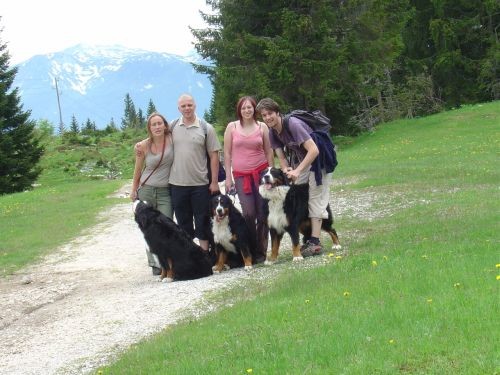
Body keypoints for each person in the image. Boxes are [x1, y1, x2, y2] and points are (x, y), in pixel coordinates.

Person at [256, 98, 337, 257]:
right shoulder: (272, 132)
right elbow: (282, 157)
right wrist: (287, 169)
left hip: (320, 160)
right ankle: (307, 233)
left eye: (270, 113)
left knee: (314, 197)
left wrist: (298, 171)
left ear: (277, 112)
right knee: (298, 194)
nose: (267, 118)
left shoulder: (293, 124)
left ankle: (315, 241)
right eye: (264, 115)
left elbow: (313, 150)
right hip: (304, 161)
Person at [223, 96, 274, 264]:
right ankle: (249, 249)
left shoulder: (262, 127)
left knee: (263, 213)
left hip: (261, 175)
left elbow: (268, 151)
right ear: (239, 110)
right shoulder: (232, 127)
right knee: (249, 213)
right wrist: (228, 177)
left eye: (250, 107)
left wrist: (271, 174)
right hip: (241, 176)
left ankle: (261, 251)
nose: (247, 110)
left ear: (254, 109)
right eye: (243, 108)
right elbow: (228, 154)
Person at [168, 94, 221, 252]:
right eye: (183, 106)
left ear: (195, 106)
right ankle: (189, 254)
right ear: (179, 108)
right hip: (177, 183)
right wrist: (140, 145)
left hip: (200, 184)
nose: (187, 108)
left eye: (189, 105)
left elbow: (214, 155)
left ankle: (205, 254)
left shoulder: (206, 128)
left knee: (202, 220)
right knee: (183, 222)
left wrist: (214, 182)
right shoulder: (172, 126)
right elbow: (156, 138)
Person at [131, 112, 174, 274]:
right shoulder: (143, 146)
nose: (157, 127)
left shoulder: (172, 139)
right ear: (149, 128)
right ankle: (156, 264)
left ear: (164, 125)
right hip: (147, 190)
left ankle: (170, 261)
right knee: (149, 228)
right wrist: (134, 189)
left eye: (159, 123)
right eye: (153, 124)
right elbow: (138, 169)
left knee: (167, 226)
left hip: (165, 192)